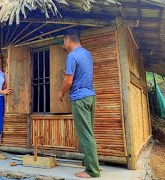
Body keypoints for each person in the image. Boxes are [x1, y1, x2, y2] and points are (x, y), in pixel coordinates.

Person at [58, 29, 100, 178]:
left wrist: (61, 93)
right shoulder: (87, 54)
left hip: (79, 98)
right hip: (90, 97)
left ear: (68, 39)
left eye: (64, 41)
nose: (64, 44)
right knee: (89, 132)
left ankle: (92, 171)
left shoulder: (72, 56)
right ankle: (91, 164)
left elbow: (68, 80)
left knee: (85, 134)